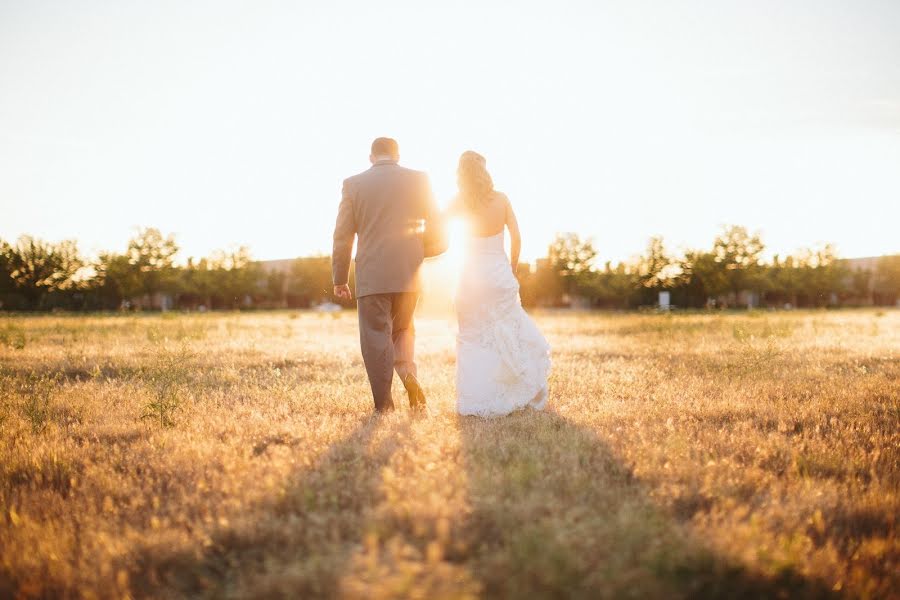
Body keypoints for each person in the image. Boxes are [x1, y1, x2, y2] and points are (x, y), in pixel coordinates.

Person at [331, 137, 442, 413]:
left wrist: (340, 277)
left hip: (372, 275)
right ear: (398, 155)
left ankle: (384, 405)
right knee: (403, 330)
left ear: (371, 157)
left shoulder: (353, 184)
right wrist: (418, 252)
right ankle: (409, 377)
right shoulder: (420, 180)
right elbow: (438, 226)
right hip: (408, 274)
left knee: (376, 337)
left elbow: (343, 236)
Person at [448, 151, 551, 417]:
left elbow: (436, 226)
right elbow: (516, 237)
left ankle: (474, 400)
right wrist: (511, 267)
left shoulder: (459, 202)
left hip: (471, 278)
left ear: (461, 174)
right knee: (507, 332)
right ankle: (514, 391)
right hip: (498, 274)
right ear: (484, 172)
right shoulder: (502, 199)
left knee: (472, 338)